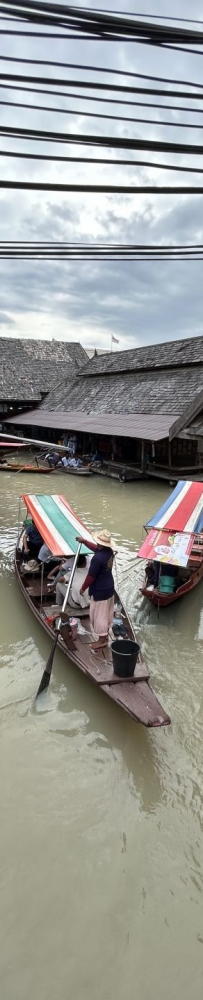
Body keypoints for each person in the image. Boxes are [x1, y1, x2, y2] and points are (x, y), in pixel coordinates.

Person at [77, 528, 115, 650]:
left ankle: (102, 640)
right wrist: (84, 541)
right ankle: (105, 636)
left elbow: (91, 576)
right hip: (109, 587)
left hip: (100, 590)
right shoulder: (109, 551)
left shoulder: (97, 559)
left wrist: (83, 588)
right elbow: (96, 548)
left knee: (99, 616)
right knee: (107, 613)